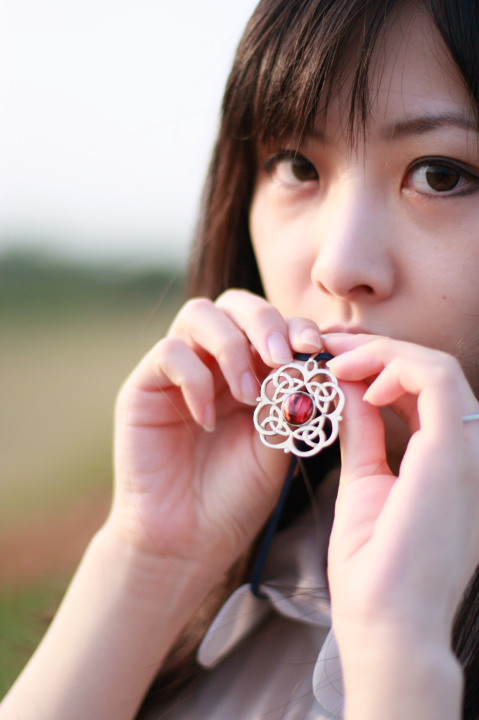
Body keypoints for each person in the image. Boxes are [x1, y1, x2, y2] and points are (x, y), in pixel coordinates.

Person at [2, 0, 479, 717]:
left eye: (439, 174)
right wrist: (149, 561)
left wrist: (401, 656)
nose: (337, 265)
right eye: (296, 166)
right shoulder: (251, 585)